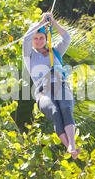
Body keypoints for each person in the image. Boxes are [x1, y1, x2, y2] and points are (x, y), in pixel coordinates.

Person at [22, 12, 80, 159]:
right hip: (43, 91)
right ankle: (70, 148)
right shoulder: (29, 55)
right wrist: (41, 22)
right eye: (36, 38)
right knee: (55, 112)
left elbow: (66, 38)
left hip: (60, 85)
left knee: (65, 108)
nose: (38, 41)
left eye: (41, 38)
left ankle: (71, 145)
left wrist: (52, 22)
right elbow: (26, 38)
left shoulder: (55, 52)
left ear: (46, 38)